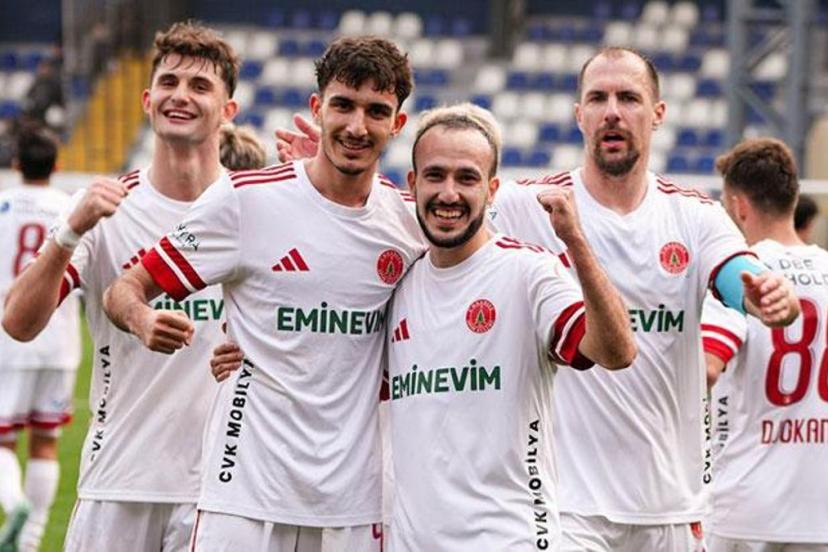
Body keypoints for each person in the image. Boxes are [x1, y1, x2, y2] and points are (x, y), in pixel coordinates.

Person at [274, 46, 800, 551]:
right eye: (598, 98)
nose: (612, 112)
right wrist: (334, 180)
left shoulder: (693, 214)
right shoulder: (529, 204)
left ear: (658, 113)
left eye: (628, 98)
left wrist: (763, 292)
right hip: (569, 506)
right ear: (578, 114)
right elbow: (441, 206)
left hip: (672, 503)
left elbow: (738, 276)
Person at [102, 36, 427, 550]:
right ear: (317, 108)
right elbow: (126, 287)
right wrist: (143, 319)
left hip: (354, 502)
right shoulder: (245, 200)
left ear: (398, 123)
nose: (357, 126)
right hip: (243, 492)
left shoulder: (408, 225)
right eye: (343, 105)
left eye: (376, 111)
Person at [2, 21, 240, 551]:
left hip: (221, 492)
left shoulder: (251, 209)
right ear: (147, 100)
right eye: (169, 82)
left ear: (228, 110)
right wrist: (69, 232)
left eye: (200, 86)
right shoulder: (106, 207)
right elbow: (17, 322)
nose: (181, 95)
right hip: (118, 481)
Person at [701, 138, 828, 552]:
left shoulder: (739, 277)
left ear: (739, 207)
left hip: (747, 508)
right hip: (820, 511)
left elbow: (707, 367)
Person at [0, 126, 80, 552]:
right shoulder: (70, 208)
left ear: (16, 164)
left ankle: (14, 504)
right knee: (46, 441)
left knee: (3, 438)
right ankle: (30, 542)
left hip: (8, 335)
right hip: (60, 339)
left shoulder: (2, 205)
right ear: (57, 165)